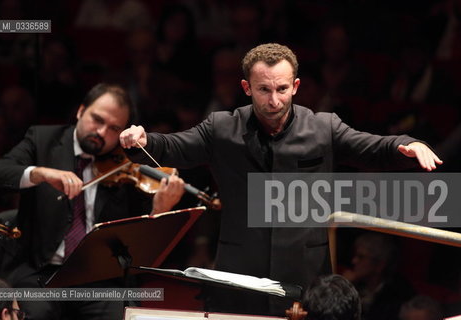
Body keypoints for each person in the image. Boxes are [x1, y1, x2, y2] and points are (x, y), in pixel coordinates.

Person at [119, 43, 442, 316]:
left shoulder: (323, 127)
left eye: (282, 89)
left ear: (296, 86)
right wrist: (143, 141)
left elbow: (372, 147)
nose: (274, 100)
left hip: (304, 273)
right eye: (264, 90)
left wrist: (409, 145)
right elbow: (176, 145)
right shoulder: (220, 127)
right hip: (239, 271)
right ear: (247, 88)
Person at [0, 83, 185, 320]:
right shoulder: (42, 139)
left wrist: (160, 209)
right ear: (80, 111)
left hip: (97, 279)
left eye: (113, 128)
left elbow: (140, 245)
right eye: (96, 120)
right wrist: (39, 173)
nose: (101, 132)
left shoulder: (127, 164)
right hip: (40, 274)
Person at [342, 232, 414, 320]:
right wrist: (343, 287)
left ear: (380, 265)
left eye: (361, 257)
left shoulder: (397, 296)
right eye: (355, 255)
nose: (354, 261)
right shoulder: (353, 285)